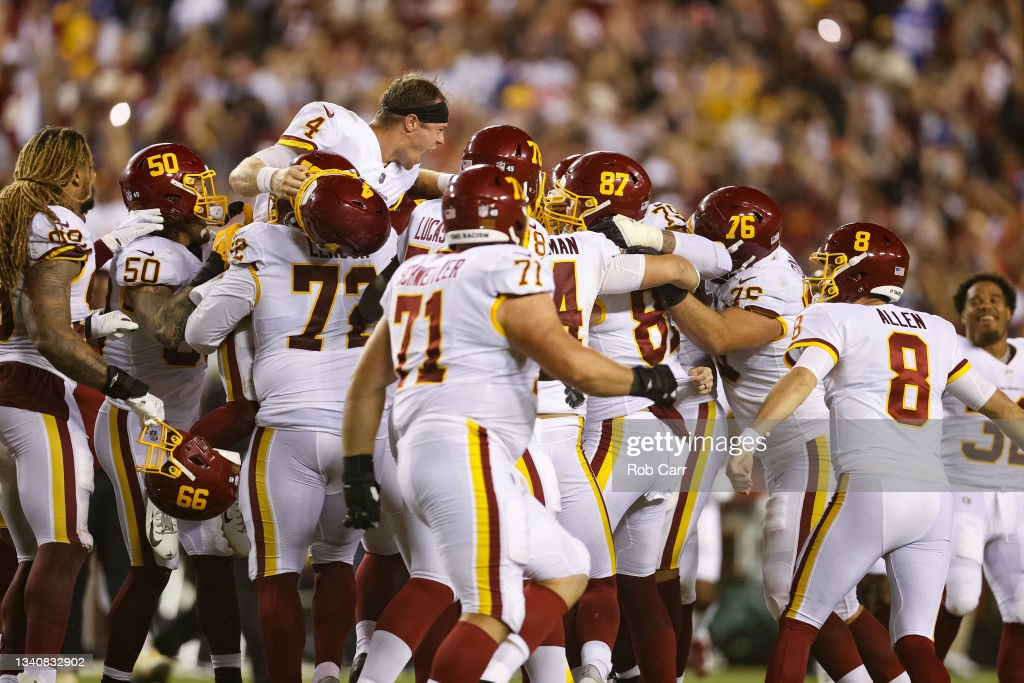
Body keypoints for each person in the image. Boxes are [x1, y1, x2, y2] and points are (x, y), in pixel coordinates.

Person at [339, 163, 696, 683]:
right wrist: (646, 383)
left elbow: (365, 387)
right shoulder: (509, 265)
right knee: (489, 607)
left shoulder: (414, 273)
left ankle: (493, 674)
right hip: (469, 446)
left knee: (569, 566)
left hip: (420, 446)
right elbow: (569, 364)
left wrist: (356, 471)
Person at [609, 186, 905, 683]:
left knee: (788, 592)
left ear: (740, 239)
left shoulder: (770, 280)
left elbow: (720, 335)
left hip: (807, 441)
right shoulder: (749, 265)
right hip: (793, 441)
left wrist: (660, 276)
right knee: (838, 599)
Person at [731, 222, 1024, 682]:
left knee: (799, 619)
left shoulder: (836, 317)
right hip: (934, 500)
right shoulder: (940, 329)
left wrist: (749, 439)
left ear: (857, 272)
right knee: (915, 642)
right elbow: (1001, 407)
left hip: (872, 487)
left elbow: (803, 379)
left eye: (831, 265)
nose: (823, 276)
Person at [184, 170, 395, 683]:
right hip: (362, 433)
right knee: (338, 558)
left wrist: (211, 287)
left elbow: (197, 334)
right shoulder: (379, 249)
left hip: (289, 428)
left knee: (275, 574)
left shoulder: (260, 245)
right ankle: (329, 670)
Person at [0, 126, 164, 683]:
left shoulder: (13, 215)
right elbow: (48, 335)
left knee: (31, 555)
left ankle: (12, 669)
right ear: (73, 175)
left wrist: (90, 310)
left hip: (5, 382)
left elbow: (39, 301)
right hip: (36, 391)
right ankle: (43, 674)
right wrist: (125, 384)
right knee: (66, 543)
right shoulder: (58, 222)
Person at [90, 142, 247, 683]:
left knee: (215, 555)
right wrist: (220, 267)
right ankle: (111, 674)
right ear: (169, 200)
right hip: (134, 422)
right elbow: (166, 328)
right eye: (197, 187)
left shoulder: (194, 252)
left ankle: (229, 672)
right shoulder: (148, 254)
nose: (209, 197)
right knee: (154, 563)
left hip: (179, 424)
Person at [931, 273, 1024, 680]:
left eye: (993, 299)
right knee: (959, 598)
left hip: (1018, 500)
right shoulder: (946, 353)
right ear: (962, 312)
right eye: (975, 300)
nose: (985, 305)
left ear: (1009, 310)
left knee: (1021, 607)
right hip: (962, 494)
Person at [229, 72, 453, 216]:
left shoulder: (404, 170)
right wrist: (273, 178)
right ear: (412, 123)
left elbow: (416, 180)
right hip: (270, 262)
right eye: (439, 130)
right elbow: (240, 176)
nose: (441, 140)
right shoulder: (338, 126)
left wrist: (459, 181)